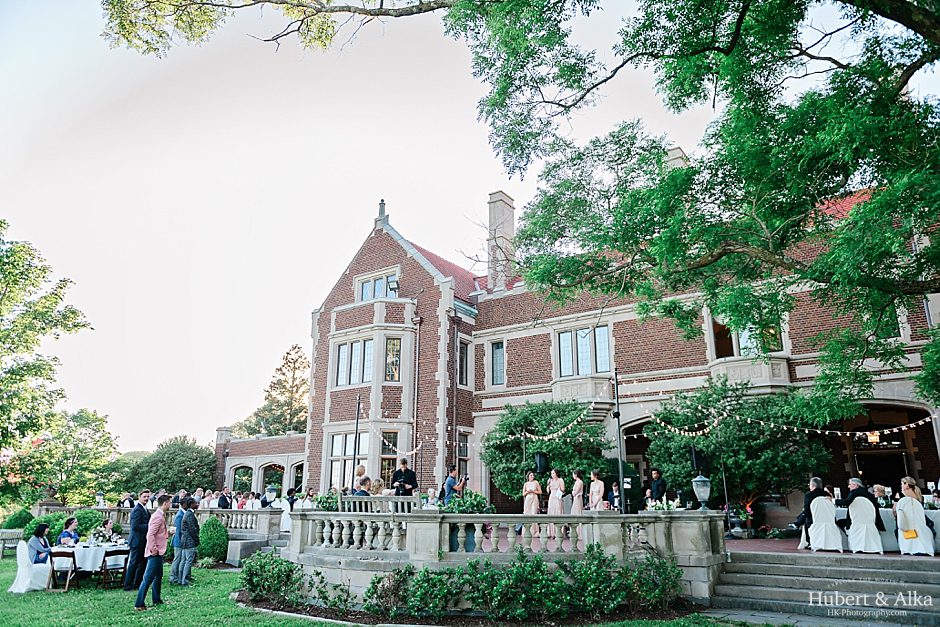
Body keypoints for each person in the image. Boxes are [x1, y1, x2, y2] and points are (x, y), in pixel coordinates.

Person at [135, 494, 174, 611]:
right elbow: (150, 534)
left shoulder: (160, 515)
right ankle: (139, 604)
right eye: (170, 503)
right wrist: (153, 549)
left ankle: (157, 600)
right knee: (148, 578)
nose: (171, 505)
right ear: (165, 503)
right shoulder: (158, 516)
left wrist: (168, 533)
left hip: (158, 551)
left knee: (158, 576)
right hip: (155, 552)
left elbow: (158, 533)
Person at [123, 488, 152, 591]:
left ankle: (137, 583)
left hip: (143, 541)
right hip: (136, 541)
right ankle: (128, 585)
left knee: (142, 563)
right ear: (139, 497)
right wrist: (150, 526)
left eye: (148, 497)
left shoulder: (144, 508)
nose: (146, 499)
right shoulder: (137, 509)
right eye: (144, 497)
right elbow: (135, 526)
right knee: (133, 563)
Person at [789, 477, 827, 545]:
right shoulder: (826, 494)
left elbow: (807, 509)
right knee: (805, 514)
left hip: (813, 518)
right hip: (825, 517)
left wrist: (805, 513)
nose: (809, 486)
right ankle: (797, 523)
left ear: (813, 485)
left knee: (806, 517)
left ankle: (809, 541)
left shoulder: (809, 495)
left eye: (809, 484)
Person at [178, 497, 200, 586]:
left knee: (184, 560)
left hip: (185, 541)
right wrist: (196, 539)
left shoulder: (187, 513)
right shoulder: (190, 514)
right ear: (191, 505)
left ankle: (181, 579)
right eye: (195, 503)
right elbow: (192, 529)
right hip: (189, 541)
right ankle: (185, 580)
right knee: (188, 561)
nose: (197, 504)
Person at [168, 495, 187, 584]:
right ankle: (172, 577)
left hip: (180, 540)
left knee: (180, 559)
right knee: (177, 559)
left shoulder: (183, 514)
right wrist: (181, 542)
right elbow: (178, 530)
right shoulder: (180, 515)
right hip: (178, 541)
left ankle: (178, 576)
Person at [523, 471, 542, 537]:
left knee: (534, 513)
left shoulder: (536, 482)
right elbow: (523, 494)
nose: (532, 476)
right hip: (528, 499)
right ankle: (527, 531)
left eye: (533, 475)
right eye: (531, 475)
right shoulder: (526, 484)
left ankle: (535, 532)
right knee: (527, 513)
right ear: (528, 476)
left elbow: (540, 491)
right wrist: (527, 492)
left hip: (534, 498)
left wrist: (533, 491)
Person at [546, 469, 564, 539]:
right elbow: (548, 491)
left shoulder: (560, 480)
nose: (552, 474)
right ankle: (551, 533)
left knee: (558, 512)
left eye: (553, 473)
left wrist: (559, 490)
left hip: (557, 496)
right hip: (552, 496)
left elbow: (563, 489)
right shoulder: (550, 481)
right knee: (551, 512)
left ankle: (558, 532)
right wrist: (548, 485)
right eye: (551, 473)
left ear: (556, 473)